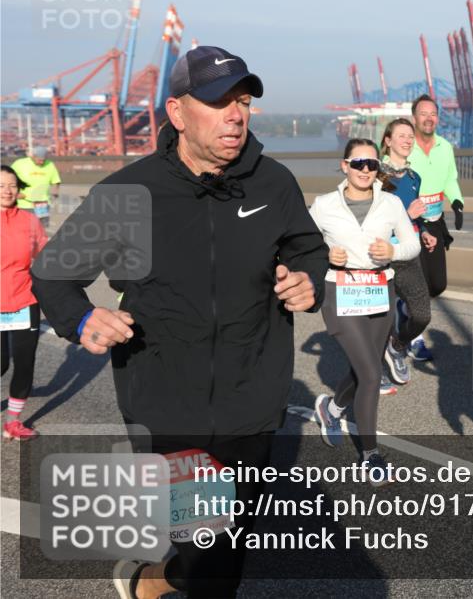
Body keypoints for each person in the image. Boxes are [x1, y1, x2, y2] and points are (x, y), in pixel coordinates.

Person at [31, 46, 329, 599]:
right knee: (212, 548)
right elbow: (52, 274)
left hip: (254, 398)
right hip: (167, 404)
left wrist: (308, 281)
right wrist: (79, 319)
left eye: (242, 101)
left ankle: (153, 580)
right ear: (177, 112)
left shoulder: (274, 184)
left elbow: (309, 249)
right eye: (218, 102)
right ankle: (163, 578)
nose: (236, 115)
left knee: (230, 539)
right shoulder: (129, 192)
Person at [310, 138, 421, 482]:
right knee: (373, 375)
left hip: (379, 290)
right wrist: (326, 252)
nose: (365, 170)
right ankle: (370, 455)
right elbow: (301, 245)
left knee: (365, 370)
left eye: (372, 164)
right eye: (358, 163)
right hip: (340, 291)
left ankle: (332, 408)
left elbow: (412, 244)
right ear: (345, 165)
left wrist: (392, 250)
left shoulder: (389, 203)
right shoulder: (324, 204)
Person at [404, 94, 465, 361]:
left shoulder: (445, 146)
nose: (429, 119)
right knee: (419, 283)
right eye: (423, 114)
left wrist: (458, 201)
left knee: (437, 284)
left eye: (433, 114)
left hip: (436, 222)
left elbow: (450, 179)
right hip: (408, 223)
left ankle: (402, 306)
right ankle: (413, 338)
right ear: (414, 118)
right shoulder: (405, 146)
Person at [379, 118, 437, 385]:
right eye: (401, 136)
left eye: (410, 136)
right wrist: (406, 214)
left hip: (408, 253)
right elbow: (369, 218)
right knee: (378, 319)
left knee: (422, 314)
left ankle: (398, 345)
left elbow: (415, 216)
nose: (407, 140)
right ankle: (373, 372)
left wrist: (423, 231)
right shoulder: (377, 175)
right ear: (388, 141)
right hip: (380, 254)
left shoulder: (414, 177)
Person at [1, 165, 47, 440]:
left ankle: (13, 422)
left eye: (11, 185)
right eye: (1, 185)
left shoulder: (30, 221)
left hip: (24, 300)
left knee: (24, 362)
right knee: (1, 365)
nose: (7, 191)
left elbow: (45, 258)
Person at [11, 144, 61, 229]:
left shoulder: (50, 165)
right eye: (39, 160)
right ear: (33, 156)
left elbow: (56, 181)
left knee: (42, 230)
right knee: (24, 229)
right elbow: (7, 178)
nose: (41, 162)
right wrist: (15, 193)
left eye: (43, 160)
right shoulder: (19, 164)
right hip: (24, 204)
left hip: (43, 205)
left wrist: (55, 193)